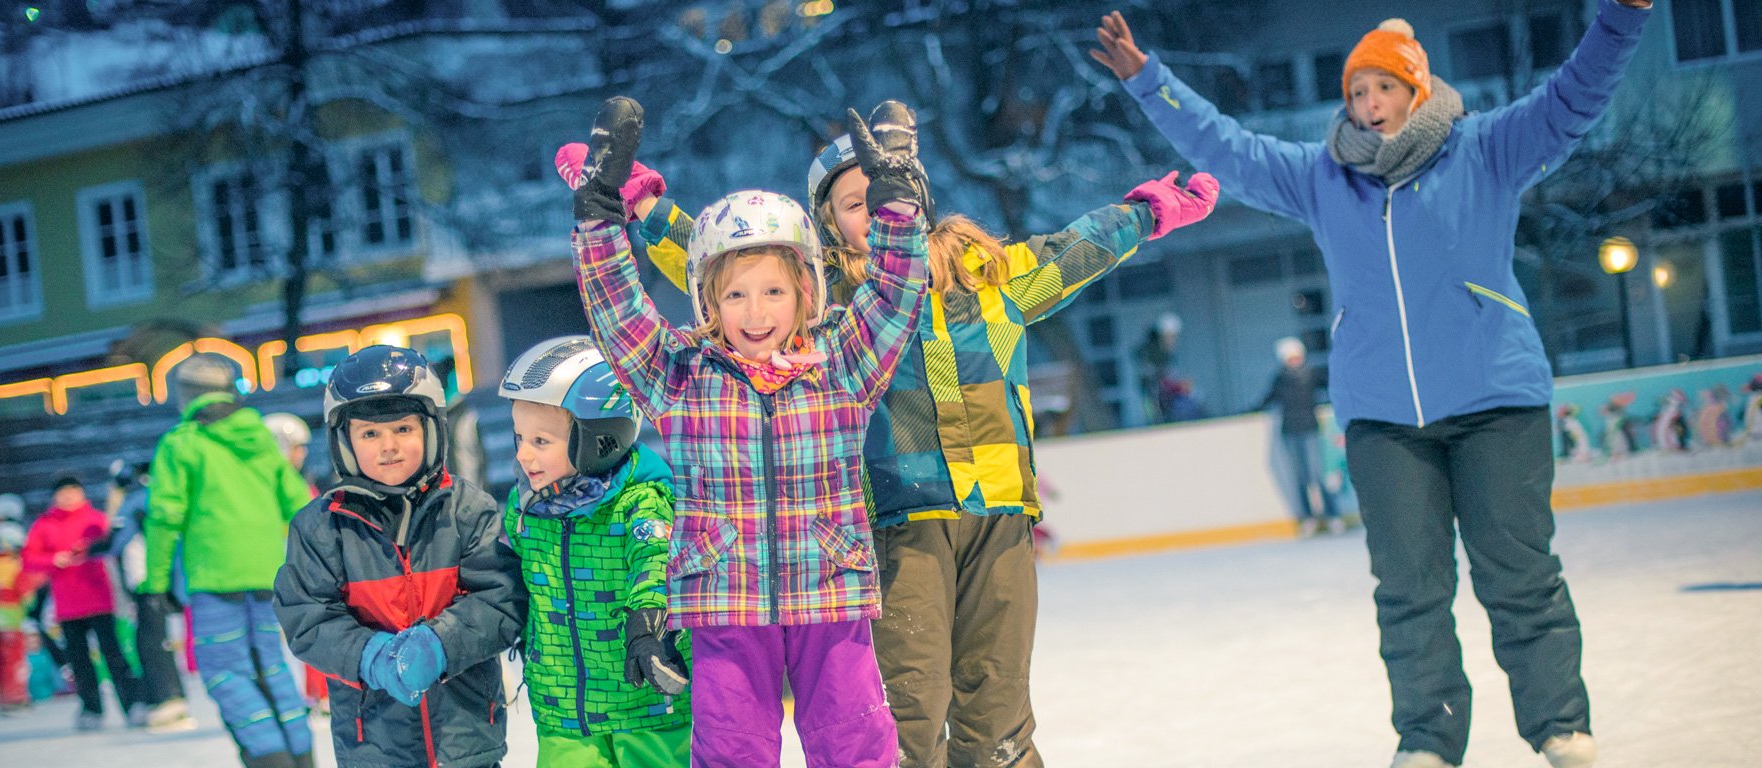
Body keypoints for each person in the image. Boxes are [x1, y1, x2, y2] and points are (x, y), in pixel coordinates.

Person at [559, 107, 1216, 768]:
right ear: (826, 226)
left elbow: (1077, 251)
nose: (871, 213)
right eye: (853, 204)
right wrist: (628, 206)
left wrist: (1147, 212)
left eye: (883, 197)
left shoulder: (995, 278)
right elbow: (725, 262)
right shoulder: (836, 310)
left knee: (999, 708)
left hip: (997, 514)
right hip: (898, 523)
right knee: (908, 712)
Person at [1091, 2, 1655, 765]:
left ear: (1417, 91)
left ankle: (1560, 727)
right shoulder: (1324, 179)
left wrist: (1620, 19)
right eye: (1357, 92)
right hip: (1384, 418)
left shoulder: (1486, 149)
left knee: (1519, 574)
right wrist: (1148, 82)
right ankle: (1426, 740)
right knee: (1408, 592)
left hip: (1495, 401)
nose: (1368, 105)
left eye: (1383, 88)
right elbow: (1227, 147)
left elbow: (1575, 96)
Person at [570, 96, 925, 767]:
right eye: (734, 294)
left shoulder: (843, 365)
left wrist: (898, 206)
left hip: (829, 589)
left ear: (806, 294)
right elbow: (619, 315)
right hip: (723, 597)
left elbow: (894, 291)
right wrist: (597, 217)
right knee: (731, 750)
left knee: (857, 746)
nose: (755, 312)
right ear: (708, 301)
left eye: (772, 292)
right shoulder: (682, 378)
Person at [275, 345, 528, 768]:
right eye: (370, 434)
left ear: (432, 430)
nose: (388, 446)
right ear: (344, 441)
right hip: (374, 744)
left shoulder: (467, 510)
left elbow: (501, 598)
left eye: (403, 430)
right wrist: (369, 655)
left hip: (465, 740)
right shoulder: (320, 527)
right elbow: (306, 616)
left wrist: (441, 642)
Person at [498, 336, 691, 766]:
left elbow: (655, 563)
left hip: (643, 703)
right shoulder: (526, 508)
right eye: (519, 438)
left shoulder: (640, 501)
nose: (525, 455)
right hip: (563, 710)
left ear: (600, 437)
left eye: (541, 442)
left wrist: (647, 627)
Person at [146, 353, 315, 767]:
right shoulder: (259, 438)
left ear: (186, 395)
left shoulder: (182, 443)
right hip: (265, 575)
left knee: (226, 671)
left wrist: (155, 582)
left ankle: (269, 759)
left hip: (214, 576)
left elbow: (166, 515)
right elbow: (297, 504)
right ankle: (301, 756)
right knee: (269, 666)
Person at [24, 474, 141, 729]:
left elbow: (114, 542)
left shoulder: (96, 520)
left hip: (99, 600)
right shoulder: (44, 525)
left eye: (73, 491)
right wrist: (54, 560)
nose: (68, 497)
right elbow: (29, 559)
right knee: (79, 661)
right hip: (68, 606)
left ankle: (133, 705)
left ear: (82, 494)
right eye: (63, 493)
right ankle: (91, 709)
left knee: (114, 655)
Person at [100, 460, 197, 732]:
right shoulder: (149, 499)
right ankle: (163, 697)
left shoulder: (142, 501)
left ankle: (169, 698)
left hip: (150, 581)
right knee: (150, 640)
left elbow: (113, 539)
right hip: (150, 581)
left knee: (152, 641)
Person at [262, 412, 329, 714]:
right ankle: (311, 694)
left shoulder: (298, 481)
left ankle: (318, 691)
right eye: (295, 448)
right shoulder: (272, 485)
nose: (301, 455)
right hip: (285, 568)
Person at [1256, 337, 1342, 536]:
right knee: (1300, 477)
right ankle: (1308, 517)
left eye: (1297, 357)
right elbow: (1268, 398)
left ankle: (1332, 515)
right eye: (1290, 358)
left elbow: (1332, 387)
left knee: (1316, 474)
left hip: (1310, 430)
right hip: (1290, 432)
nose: (1294, 361)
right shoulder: (1280, 380)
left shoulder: (1312, 375)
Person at [0, 521, 33, 715]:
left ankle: (3, 697)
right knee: (14, 660)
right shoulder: (14, 565)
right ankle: (15, 697)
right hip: (10, 621)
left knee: (0, 660)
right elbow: (26, 593)